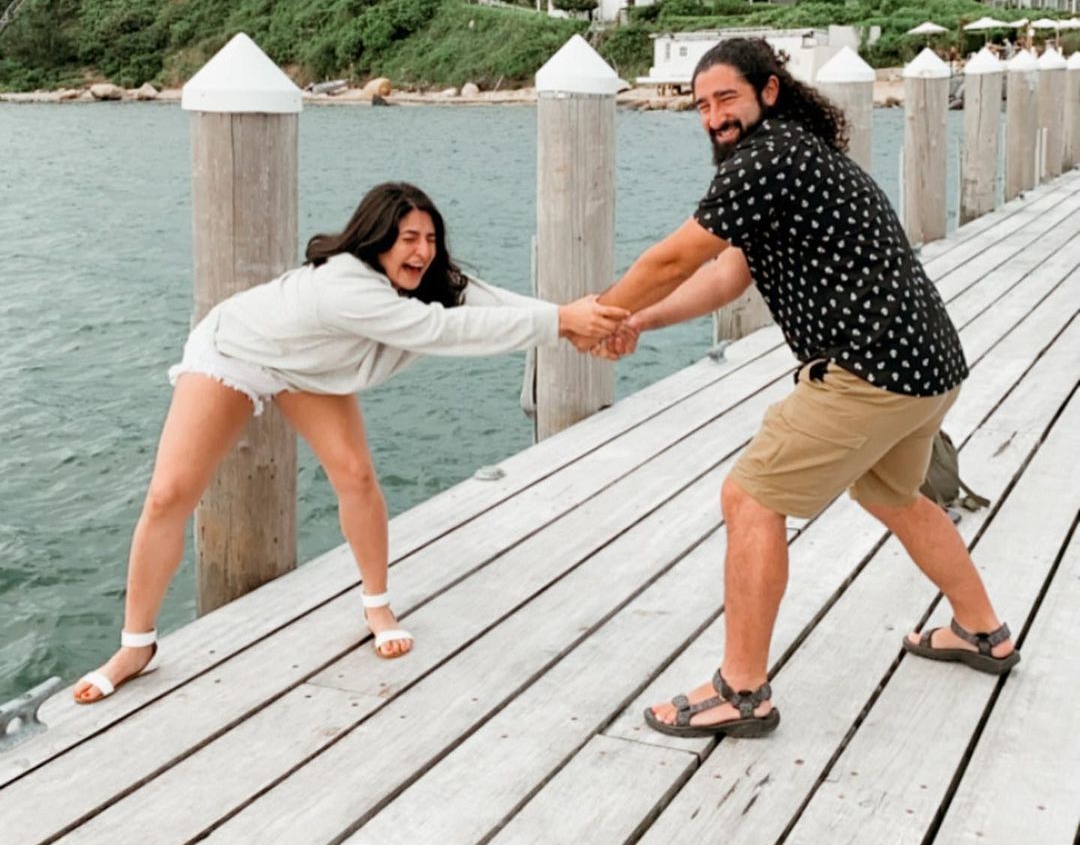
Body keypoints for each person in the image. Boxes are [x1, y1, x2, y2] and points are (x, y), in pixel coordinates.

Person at [594, 38, 1018, 740]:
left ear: (769, 90)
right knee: (892, 495)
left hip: (871, 368)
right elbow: (727, 276)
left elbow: (673, 258)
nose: (713, 116)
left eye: (726, 98)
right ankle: (983, 632)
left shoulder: (771, 157)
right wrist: (639, 319)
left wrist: (597, 314)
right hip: (926, 365)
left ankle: (743, 690)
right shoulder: (793, 156)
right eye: (701, 105)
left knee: (749, 498)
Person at [74, 181, 627, 704]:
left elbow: (485, 300)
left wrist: (571, 323)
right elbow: (439, 331)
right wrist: (562, 322)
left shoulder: (423, 279)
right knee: (169, 495)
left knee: (357, 478)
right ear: (377, 239)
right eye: (408, 238)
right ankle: (135, 645)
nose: (423, 251)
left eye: (430, 238)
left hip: (312, 366)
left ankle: (376, 606)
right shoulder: (347, 288)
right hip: (238, 349)